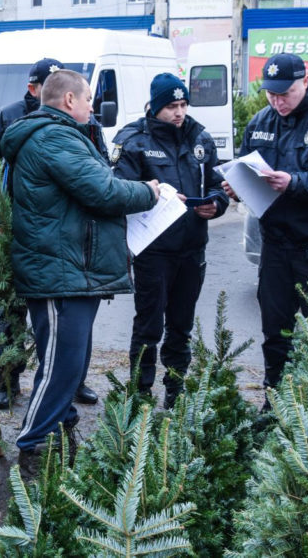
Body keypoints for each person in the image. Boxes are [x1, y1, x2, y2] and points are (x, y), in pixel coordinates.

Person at [0, 69, 159, 475]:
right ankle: (33, 448)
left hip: (72, 269)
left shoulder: (64, 135)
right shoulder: (55, 136)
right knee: (60, 365)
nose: (93, 107)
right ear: (69, 100)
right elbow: (103, 191)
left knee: (71, 361)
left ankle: (60, 433)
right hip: (58, 269)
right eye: (88, 100)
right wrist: (151, 192)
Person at [223, 53, 308, 396]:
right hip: (275, 246)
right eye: (271, 94)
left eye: (285, 94)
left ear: (305, 81)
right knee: (275, 330)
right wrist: (236, 188)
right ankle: (274, 399)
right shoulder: (260, 122)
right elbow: (246, 167)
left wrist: (295, 184)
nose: (278, 101)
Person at [0, 58, 99, 409]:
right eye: (41, 85)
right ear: (32, 88)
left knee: (74, 319)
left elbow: (99, 166)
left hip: (69, 237)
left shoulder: (84, 121)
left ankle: (74, 381)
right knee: (13, 311)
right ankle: (7, 380)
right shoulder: (8, 117)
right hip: (20, 228)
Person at [111, 73, 228, 408]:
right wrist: (155, 195)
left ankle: (175, 389)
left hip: (192, 249)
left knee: (181, 325)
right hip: (154, 250)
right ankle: (140, 393)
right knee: (149, 326)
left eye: (183, 105)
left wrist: (216, 204)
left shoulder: (199, 136)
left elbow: (216, 183)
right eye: (171, 107)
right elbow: (120, 191)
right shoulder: (133, 140)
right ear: (155, 106)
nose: (179, 113)